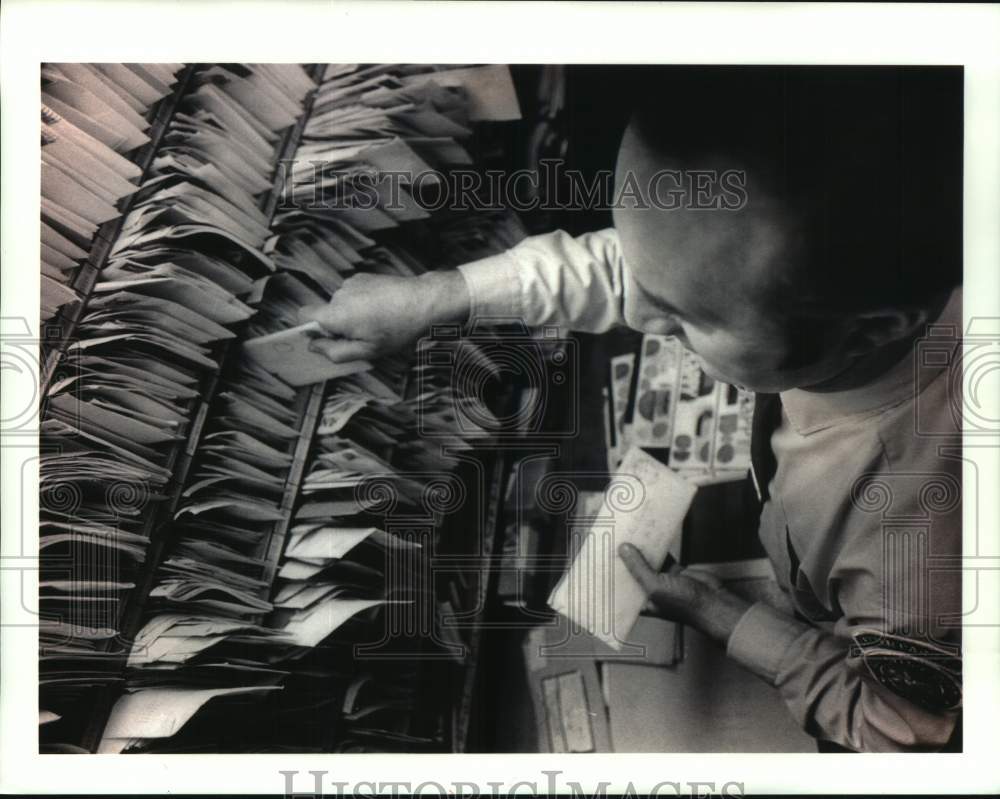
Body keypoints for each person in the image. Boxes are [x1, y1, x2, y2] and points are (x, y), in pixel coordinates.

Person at [299, 67, 963, 752]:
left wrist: (727, 619)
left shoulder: (916, 549)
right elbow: (640, 269)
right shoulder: (826, 269)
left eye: (683, 315)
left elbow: (901, 726)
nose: (638, 313)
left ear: (874, 327)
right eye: (646, 277)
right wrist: (439, 296)